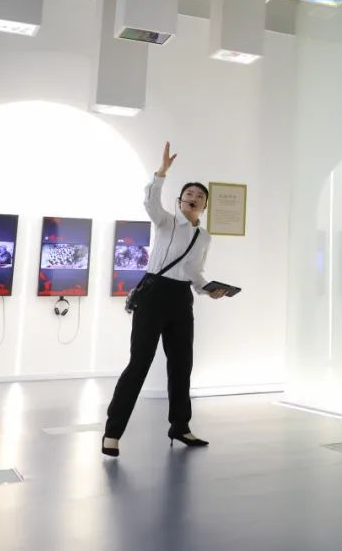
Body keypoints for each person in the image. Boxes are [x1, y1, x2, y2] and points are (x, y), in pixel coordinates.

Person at [103, 142, 227, 458]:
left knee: (182, 364)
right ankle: (112, 433)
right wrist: (161, 172)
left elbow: (195, 272)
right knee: (139, 363)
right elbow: (150, 201)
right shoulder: (166, 221)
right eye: (189, 193)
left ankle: (180, 426)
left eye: (200, 195)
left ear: (205, 205)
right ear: (181, 199)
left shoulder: (204, 237)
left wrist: (209, 289)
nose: (194, 197)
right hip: (154, 294)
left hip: (181, 298)